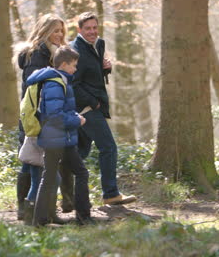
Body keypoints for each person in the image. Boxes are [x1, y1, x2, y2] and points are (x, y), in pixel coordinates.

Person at [70, 12, 136, 205]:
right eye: (88, 28)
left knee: (80, 152)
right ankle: (110, 194)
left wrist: (105, 69)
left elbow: (93, 74)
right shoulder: (76, 50)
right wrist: (93, 102)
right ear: (79, 30)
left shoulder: (98, 44)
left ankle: (65, 195)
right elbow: (74, 83)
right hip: (86, 109)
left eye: (94, 27)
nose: (92, 31)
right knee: (108, 148)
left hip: (93, 105)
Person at [15, 14, 74, 224]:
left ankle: (39, 210)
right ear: (44, 31)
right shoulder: (36, 54)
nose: (59, 35)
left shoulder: (55, 53)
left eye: (61, 31)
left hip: (45, 118)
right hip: (35, 118)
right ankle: (30, 210)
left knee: (39, 163)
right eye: (55, 30)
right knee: (34, 163)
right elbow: (33, 90)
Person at [29, 46, 93, 226]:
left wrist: (73, 116)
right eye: (73, 65)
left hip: (55, 138)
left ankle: (39, 221)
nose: (75, 69)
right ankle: (83, 218)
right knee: (81, 173)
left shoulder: (57, 80)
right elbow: (54, 115)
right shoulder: (55, 83)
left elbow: (58, 111)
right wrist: (76, 121)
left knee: (48, 177)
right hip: (58, 138)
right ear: (64, 64)